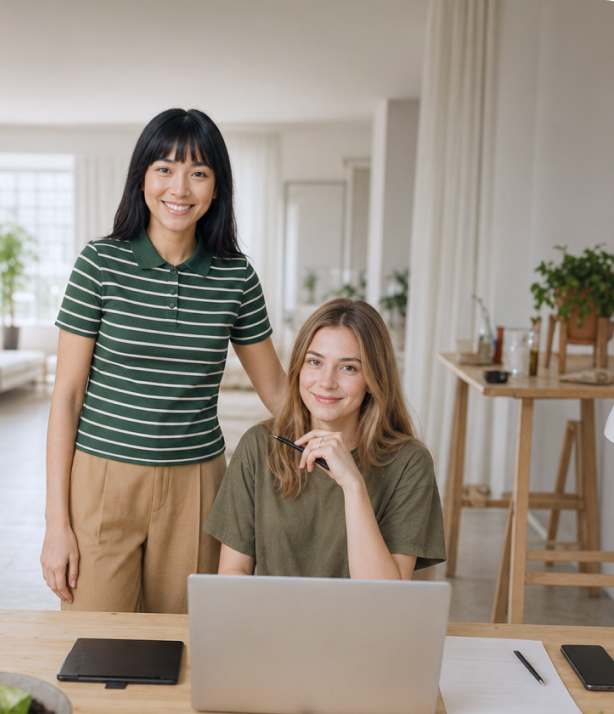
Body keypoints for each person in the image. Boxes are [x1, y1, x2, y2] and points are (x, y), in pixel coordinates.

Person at [40, 108, 286, 613]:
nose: (180, 187)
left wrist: (356, 440)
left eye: (198, 172)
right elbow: (65, 398)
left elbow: (278, 392)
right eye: (165, 169)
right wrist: (56, 525)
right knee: (94, 642)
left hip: (196, 484)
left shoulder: (236, 277)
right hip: (103, 479)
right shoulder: (98, 263)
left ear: (216, 188)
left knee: (187, 645)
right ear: (142, 179)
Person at [206, 298, 445, 580]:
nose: (326, 382)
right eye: (315, 362)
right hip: (271, 622)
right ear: (298, 368)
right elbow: (233, 571)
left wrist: (353, 485)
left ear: (373, 379)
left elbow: (384, 598)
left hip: (362, 624)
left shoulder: (410, 463)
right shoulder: (259, 446)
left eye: (348, 368)